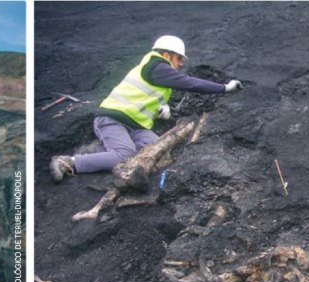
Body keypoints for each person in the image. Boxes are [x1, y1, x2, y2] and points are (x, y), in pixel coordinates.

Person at [50, 35, 243, 181]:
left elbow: (147, 96)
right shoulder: (157, 67)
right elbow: (190, 83)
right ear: (166, 54)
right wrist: (224, 88)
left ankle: (103, 150)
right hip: (113, 119)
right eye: (179, 58)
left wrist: (162, 108)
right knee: (124, 156)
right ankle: (69, 162)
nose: (181, 64)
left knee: (158, 148)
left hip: (137, 126)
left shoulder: (156, 72)